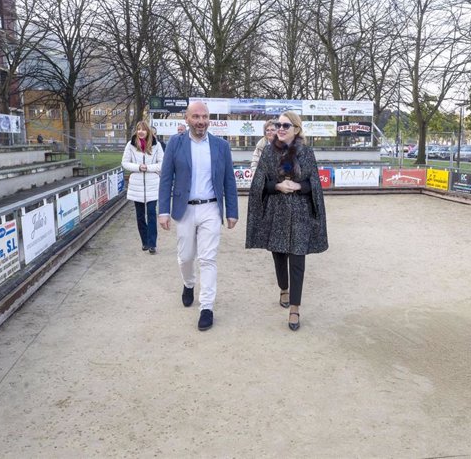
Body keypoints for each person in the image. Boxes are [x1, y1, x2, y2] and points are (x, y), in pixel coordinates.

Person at [158, 101, 239, 331]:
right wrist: (163, 211)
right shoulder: (175, 143)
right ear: (187, 118)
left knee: (208, 259)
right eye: (196, 117)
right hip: (185, 209)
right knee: (185, 257)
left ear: (209, 119)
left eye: (204, 117)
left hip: (211, 209)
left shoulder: (221, 146)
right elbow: (166, 178)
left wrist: (231, 211)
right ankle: (188, 283)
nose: (201, 121)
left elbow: (229, 181)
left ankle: (206, 307)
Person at [245, 111, 328, 331]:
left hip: (300, 214)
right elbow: (259, 184)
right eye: (278, 124)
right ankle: (283, 287)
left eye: (285, 125)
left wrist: (300, 187)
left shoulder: (307, 153)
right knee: (279, 255)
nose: (280, 128)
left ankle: (295, 308)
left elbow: (315, 186)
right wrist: (278, 186)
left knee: (297, 259)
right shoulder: (269, 152)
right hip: (277, 212)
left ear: (296, 129)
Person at [121, 121, 165, 254]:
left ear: (148, 132)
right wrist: (138, 167)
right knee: (140, 215)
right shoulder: (131, 145)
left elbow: (162, 163)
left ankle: (152, 244)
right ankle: (144, 241)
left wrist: (149, 168)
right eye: (138, 129)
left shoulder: (156, 145)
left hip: (152, 184)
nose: (140, 131)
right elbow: (125, 163)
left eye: (143, 129)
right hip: (136, 185)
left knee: (151, 213)